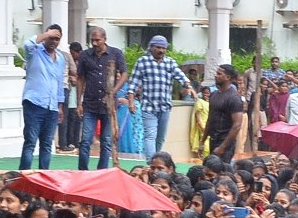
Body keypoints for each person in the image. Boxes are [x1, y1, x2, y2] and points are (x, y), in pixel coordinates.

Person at [124, 35, 191, 157]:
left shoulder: (170, 62)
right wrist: (131, 103)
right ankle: (150, 163)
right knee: (150, 136)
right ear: (151, 47)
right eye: (158, 47)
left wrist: (188, 85)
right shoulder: (142, 62)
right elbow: (133, 84)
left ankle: (157, 160)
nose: (161, 50)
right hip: (149, 108)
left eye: (163, 48)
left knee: (160, 138)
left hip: (164, 107)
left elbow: (180, 76)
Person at [76, 26, 126, 170]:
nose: (95, 43)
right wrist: (78, 102)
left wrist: (114, 91)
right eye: (93, 40)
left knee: (106, 141)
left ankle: (102, 172)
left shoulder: (115, 53)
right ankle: (83, 171)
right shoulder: (85, 55)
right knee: (85, 141)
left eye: (98, 40)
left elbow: (124, 74)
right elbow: (80, 79)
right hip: (90, 104)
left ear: (105, 39)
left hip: (108, 105)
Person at [21, 23, 67, 170]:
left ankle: (43, 177)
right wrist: (47, 34)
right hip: (34, 103)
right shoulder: (35, 52)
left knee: (47, 145)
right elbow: (27, 44)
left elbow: (60, 82)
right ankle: (22, 177)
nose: (53, 42)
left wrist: (60, 106)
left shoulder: (60, 59)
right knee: (30, 142)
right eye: (51, 38)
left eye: (57, 39)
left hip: (51, 106)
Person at [206, 64, 245, 160]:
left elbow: (237, 125)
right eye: (216, 73)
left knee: (222, 172)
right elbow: (210, 119)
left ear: (227, 77)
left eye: (219, 74)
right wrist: (202, 141)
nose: (216, 76)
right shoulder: (214, 95)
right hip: (213, 140)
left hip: (225, 142)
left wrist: (222, 147)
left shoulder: (234, 98)